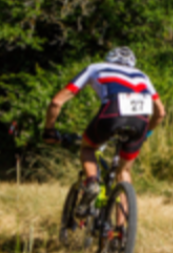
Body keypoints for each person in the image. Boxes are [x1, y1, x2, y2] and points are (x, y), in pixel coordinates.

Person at [43, 47, 166, 201]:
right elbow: (160, 113)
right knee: (124, 172)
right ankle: (122, 225)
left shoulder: (96, 68)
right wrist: (146, 133)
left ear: (109, 59)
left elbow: (56, 102)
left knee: (87, 148)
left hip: (111, 112)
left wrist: (49, 130)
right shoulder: (142, 76)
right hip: (141, 120)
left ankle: (92, 183)